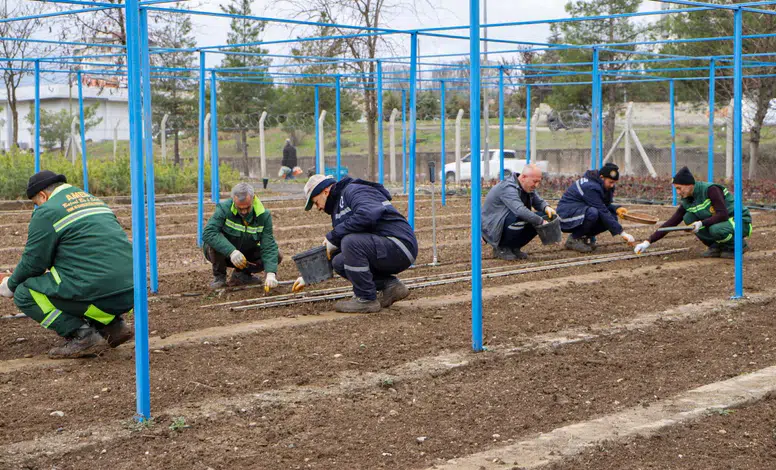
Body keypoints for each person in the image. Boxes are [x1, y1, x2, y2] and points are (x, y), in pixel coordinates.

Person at [0, 171, 134, 358]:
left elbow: (34, 264)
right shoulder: (94, 201)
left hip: (98, 290)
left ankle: (83, 335)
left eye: (36, 204)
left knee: (24, 293)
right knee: (82, 272)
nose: (37, 208)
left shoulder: (48, 211)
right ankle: (114, 326)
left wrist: (9, 284)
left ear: (43, 196)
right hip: (132, 290)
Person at [292, 174, 418, 313]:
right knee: (339, 261)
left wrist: (333, 237)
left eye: (316, 202)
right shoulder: (337, 210)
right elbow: (342, 249)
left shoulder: (353, 190)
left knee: (350, 242)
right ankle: (391, 287)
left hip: (399, 244)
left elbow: (368, 213)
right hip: (385, 248)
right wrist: (309, 275)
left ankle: (366, 299)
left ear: (325, 192)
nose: (318, 208)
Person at [634, 167, 752, 259]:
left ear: (689, 185)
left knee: (716, 229)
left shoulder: (711, 190)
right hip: (724, 223)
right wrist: (647, 242)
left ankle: (737, 246)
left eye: (679, 188)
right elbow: (672, 222)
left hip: (739, 221)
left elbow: (723, 214)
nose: (678, 192)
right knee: (689, 217)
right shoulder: (688, 200)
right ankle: (715, 246)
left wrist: (701, 223)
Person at [203, 182, 282, 289]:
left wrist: (271, 273)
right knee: (215, 242)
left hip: (246, 254)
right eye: (240, 208)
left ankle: (241, 275)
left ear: (253, 199)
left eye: (247, 208)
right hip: (224, 255)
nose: (244, 211)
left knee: (277, 255)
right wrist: (231, 251)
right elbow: (209, 233)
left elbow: (268, 244)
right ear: (233, 201)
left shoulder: (263, 215)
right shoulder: (224, 209)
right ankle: (220, 277)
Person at [481, 164, 556, 260]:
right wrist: (541, 221)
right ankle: (501, 248)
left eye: (538, 182)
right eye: (535, 181)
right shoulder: (508, 187)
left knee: (542, 216)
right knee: (523, 217)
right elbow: (519, 211)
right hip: (493, 226)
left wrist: (546, 208)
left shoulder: (527, 186)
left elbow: (538, 202)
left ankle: (514, 247)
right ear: (524, 177)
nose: (536, 185)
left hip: (507, 221)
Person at [557, 162, 635, 253]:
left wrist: (616, 208)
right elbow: (601, 209)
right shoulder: (590, 187)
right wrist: (622, 233)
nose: (612, 185)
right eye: (610, 182)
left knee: (612, 216)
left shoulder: (601, 185)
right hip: (565, 216)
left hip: (579, 211)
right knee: (593, 213)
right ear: (602, 177)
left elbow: (602, 205)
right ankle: (574, 239)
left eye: (614, 183)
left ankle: (582, 238)